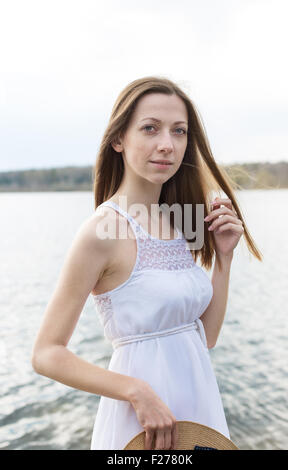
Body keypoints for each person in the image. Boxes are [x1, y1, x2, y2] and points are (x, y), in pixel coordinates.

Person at [31, 76, 262, 450]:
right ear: (119, 139)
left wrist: (223, 258)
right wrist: (136, 391)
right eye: (150, 128)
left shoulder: (180, 221)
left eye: (179, 131)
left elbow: (205, 338)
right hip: (141, 422)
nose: (167, 145)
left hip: (198, 407)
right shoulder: (101, 231)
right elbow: (46, 354)